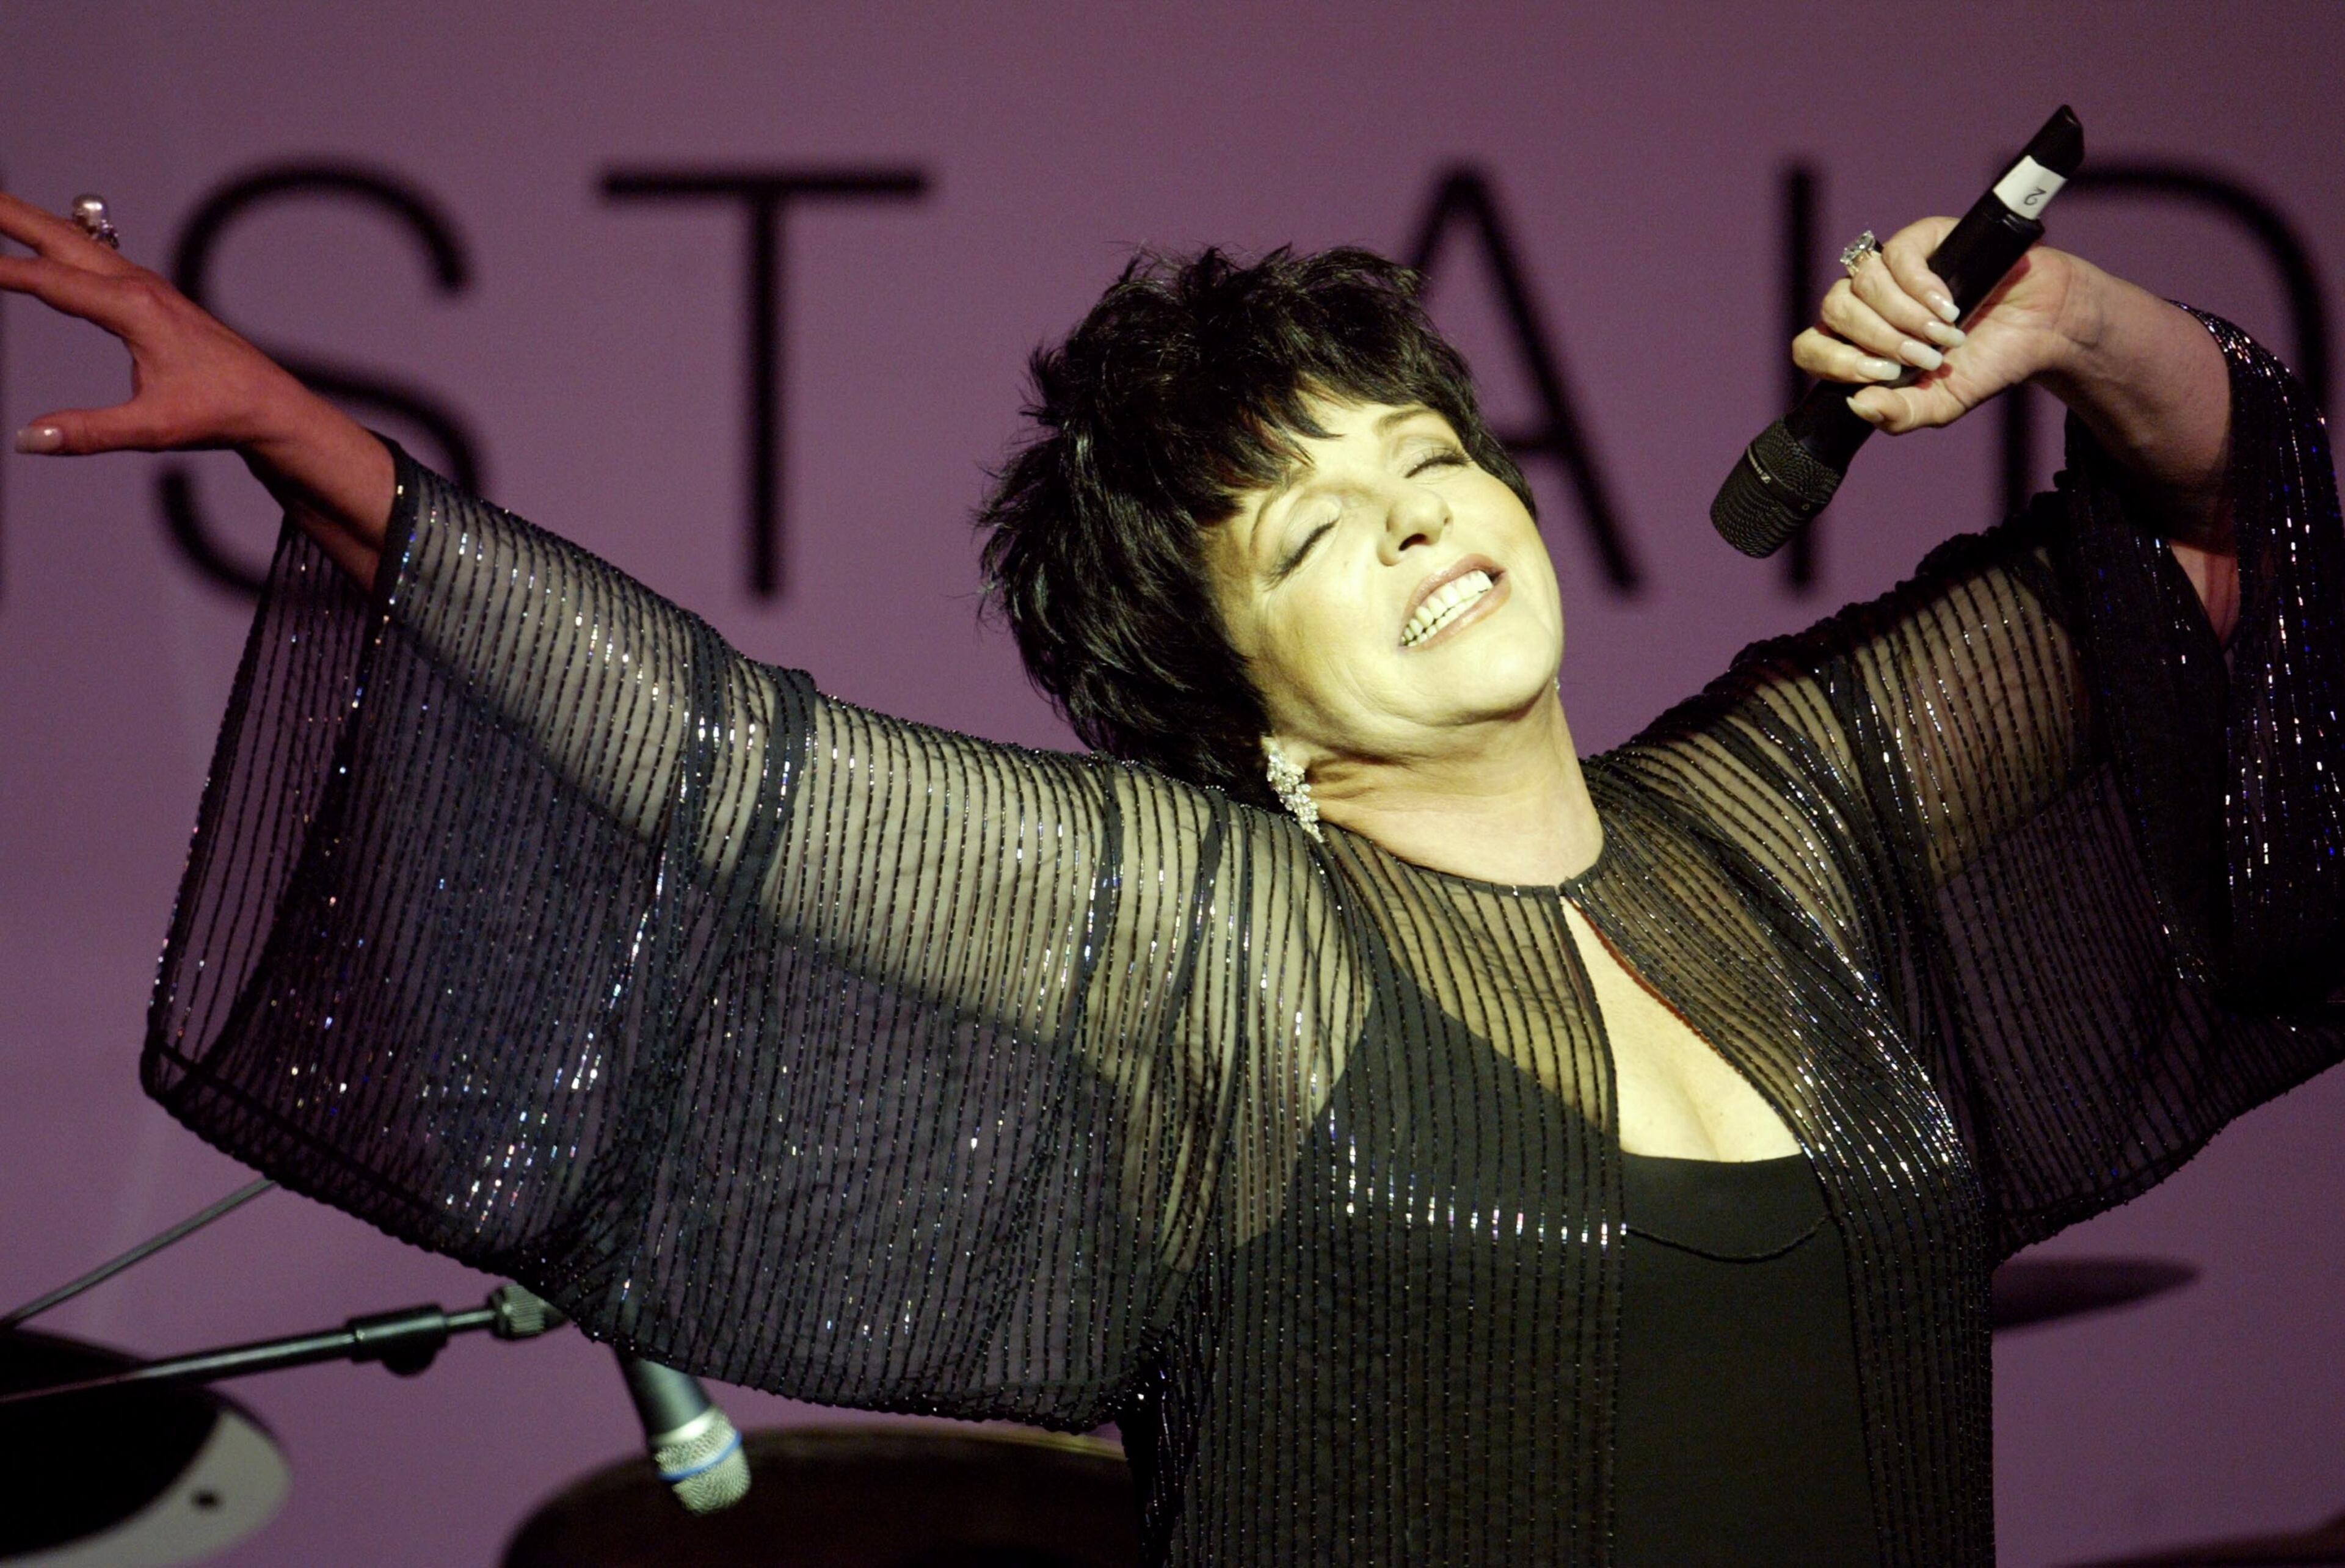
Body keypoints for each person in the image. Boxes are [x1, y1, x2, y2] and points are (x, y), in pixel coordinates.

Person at [4, 185, 2340, 1566]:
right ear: (1243, 705)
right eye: (1318, 527)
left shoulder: (1798, 818)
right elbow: (722, 770)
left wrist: (2080, 324)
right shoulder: (1225, 936)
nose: (1423, 515)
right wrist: (320, 448)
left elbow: (2217, 556)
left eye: (1426, 457)